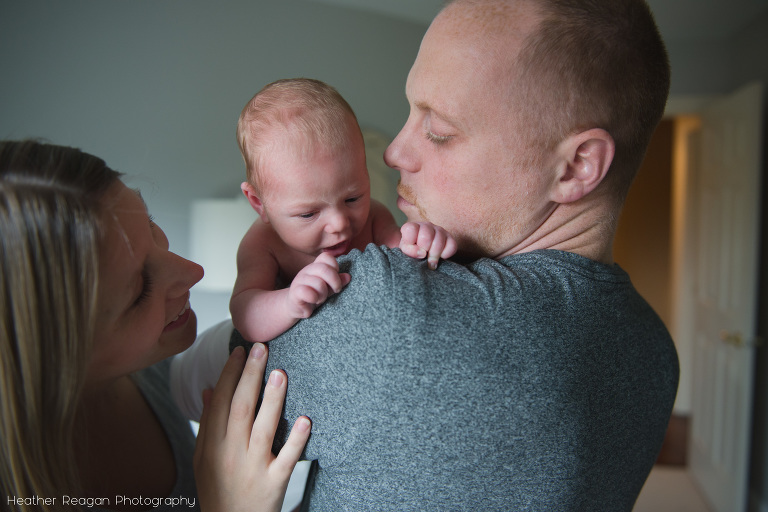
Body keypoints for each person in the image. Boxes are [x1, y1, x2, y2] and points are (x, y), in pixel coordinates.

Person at [178, 0, 680, 509]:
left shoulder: (392, 304)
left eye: (438, 129)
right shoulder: (658, 354)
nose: (395, 152)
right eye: (409, 113)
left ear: (576, 167)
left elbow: (187, 380)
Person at [0, 140, 310, 512]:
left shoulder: (163, 378)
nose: (193, 272)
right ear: (50, 359)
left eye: (149, 225)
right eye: (139, 291)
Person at [232, 78, 456, 342]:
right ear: (259, 203)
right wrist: (289, 302)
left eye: (352, 198)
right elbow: (245, 315)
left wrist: (423, 238)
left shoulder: (373, 217)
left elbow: (407, 256)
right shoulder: (262, 244)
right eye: (308, 214)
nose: (339, 222)